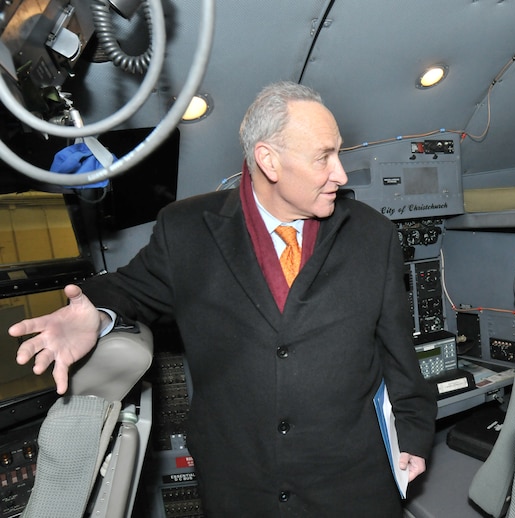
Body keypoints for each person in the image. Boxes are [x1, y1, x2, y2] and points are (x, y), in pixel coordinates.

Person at [9, 81, 437, 517]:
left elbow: (398, 353)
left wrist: (415, 435)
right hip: (240, 484)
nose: (341, 174)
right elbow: (128, 289)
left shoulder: (372, 234)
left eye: (338, 153)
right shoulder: (187, 230)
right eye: (323, 157)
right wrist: (94, 315)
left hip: (353, 483)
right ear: (269, 160)